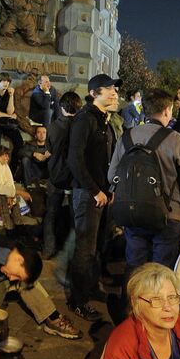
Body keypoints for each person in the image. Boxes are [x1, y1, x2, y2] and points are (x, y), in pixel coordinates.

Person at [109, 88, 180, 273]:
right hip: (169, 215)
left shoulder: (126, 137)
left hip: (133, 213)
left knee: (134, 268)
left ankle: (131, 301)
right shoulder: (175, 139)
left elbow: (112, 175)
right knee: (161, 271)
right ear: (167, 110)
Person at [67, 74, 120, 322]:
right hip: (88, 196)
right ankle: (78, 301)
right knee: (84, 250)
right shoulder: (85, 119)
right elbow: (75, 161)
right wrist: (95, 190)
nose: (115, 93)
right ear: (94, 93)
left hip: (102, 196)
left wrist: (110, 190)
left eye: (115, 90)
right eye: (109, 89)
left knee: (96, 248)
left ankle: (90, 288)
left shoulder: (105, 121)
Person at [43, 89, 83, 259]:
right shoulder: (82, 127)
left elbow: (49, 149)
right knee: (76, 218)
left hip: (56, 175)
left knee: (51, 214)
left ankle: (48, 249)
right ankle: (73, 251)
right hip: (75, 178)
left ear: (61, 107)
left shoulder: (53, 127)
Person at [0, 73, 23, 157]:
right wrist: (8, 116)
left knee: (19, 142)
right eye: (3, 81)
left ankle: (12, 167)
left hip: (7, 124)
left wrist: (11, 96)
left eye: (8, 81)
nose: (6, 83)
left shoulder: (8, 94)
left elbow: (10, 111)